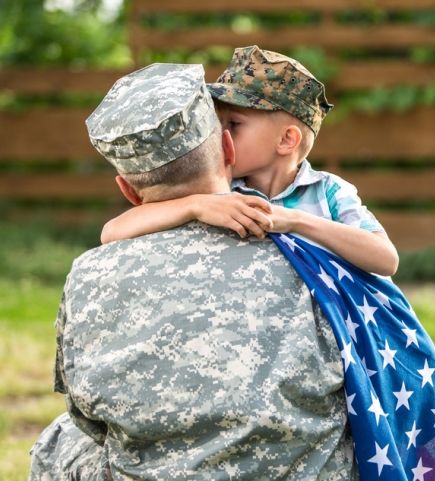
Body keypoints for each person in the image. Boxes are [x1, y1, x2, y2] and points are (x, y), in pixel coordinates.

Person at [28, 63, 358, 481]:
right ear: (228, 149)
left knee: (60, 442)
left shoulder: (88, 276)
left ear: (128, 190)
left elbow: (86, 416)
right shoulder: (315, 259)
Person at [100, 46, 399, 277]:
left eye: (235, 124)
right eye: (219, 122)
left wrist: (294, 221)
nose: (221, 134)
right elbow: (112, 232)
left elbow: (386, 259)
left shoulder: (328, 192)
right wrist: (195, 205)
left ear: (286, 141)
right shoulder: (222, 191)